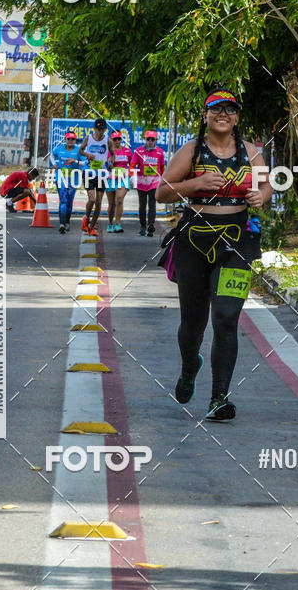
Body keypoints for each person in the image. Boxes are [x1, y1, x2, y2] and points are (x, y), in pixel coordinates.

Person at [156, 87, 272, 421]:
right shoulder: (192, 151)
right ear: (205, 116)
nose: (224, 114)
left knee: (226, 319)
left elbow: (266, 185)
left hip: (236, 245)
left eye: (230, 109)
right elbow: (163, 191)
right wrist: (194, 185)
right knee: (193, 324)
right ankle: (190, 364)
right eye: (216, 109)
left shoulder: (250, 152)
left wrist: (260, 196)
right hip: (194, 242)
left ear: (237, 117)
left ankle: (219, 397)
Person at [78, 118, 115, 236]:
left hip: (102, 174)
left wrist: (110, 161)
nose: (100, 132)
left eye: (102, 129)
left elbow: (113, 154)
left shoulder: (108, 141)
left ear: (105, 129)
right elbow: (80, 150)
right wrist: (87, 154)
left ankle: (92, 227)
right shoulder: (88, 138)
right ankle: (86, 217)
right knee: (92, 199)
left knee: (99, 202)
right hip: (89, 172)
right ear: (94, 128)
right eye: (98, 129)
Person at [131, 130, 165, 237]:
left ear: (156, 140)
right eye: (148, 139)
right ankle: (142, 226)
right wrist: (132, 177)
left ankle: (151, 225)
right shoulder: (138, 151)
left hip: (154, 182)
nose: (150, 141)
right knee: (142, 205)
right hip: (141, 182)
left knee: (152, 204)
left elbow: (162, 167)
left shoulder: (160, 152)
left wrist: (162, 180)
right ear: (144, 139)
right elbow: (132, 166)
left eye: (152, 139)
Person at [50, 131, 84, 233]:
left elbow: (85, 162)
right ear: (65, 140)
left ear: (75, 140)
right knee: (63, 199)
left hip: (74, 179)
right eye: (68, 139)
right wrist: (54, 163)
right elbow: (52, 155)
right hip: (61, 177)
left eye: (73, 139)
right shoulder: (59, 148)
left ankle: (67, 222)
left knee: (69, 201)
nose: (70, 141)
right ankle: (62, 224)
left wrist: (76, 162)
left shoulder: (79, 150)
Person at [105, 131, 133, 233]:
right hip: (111, 178)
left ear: (121, 139)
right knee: (111, 204)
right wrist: (109, 165)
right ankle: (110, 223)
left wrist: (131, 174)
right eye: (114, 139)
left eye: (119, 139)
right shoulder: (108, 151)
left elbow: (132, 164)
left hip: (123, 178)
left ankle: (118, 224)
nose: (117, 141)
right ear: (111, 140)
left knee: (119, 199)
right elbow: (106, 164)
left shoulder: (127, 151)